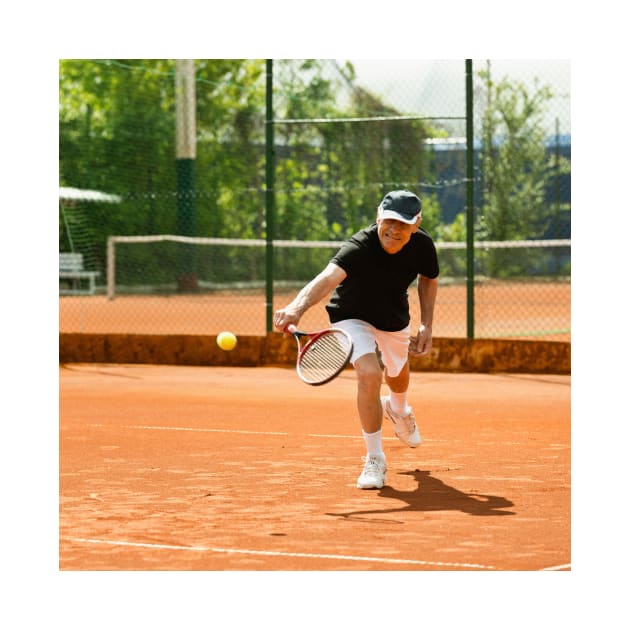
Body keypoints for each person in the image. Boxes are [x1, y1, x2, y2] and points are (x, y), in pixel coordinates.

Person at [273, 190, 439, 489]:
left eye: (402, 224)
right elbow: (326, 278)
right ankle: (375, 458)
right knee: (369, 374)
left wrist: (427, 324)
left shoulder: (423, 246)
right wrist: (296, 308)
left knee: (397, 373)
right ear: (378, 216)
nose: (394, 230)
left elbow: (428, 278)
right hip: (351, 315)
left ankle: (398, 410)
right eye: (388, 221)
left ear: (416, 224)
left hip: (393, 317)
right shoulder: (358, 247)